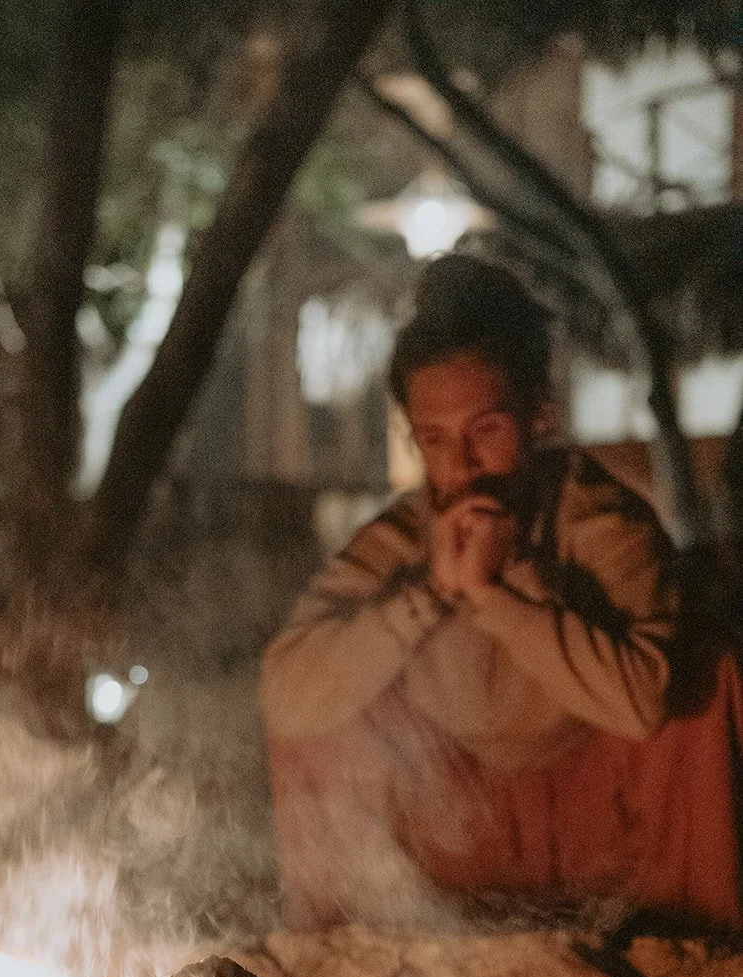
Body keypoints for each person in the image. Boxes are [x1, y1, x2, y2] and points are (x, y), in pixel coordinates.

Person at [261, 254, 743, 933]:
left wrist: (493, 597)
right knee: (318, 701)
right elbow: (285, 695)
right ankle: (346, 966)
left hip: (591, 824)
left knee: (706, 679)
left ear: (537, 414)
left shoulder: (599, 521)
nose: (460, 467)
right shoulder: (398, 540)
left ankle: (696, 958)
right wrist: (429, 593)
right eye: (434, 440)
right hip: (455, 824)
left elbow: (636, 707)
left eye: (485, 430)